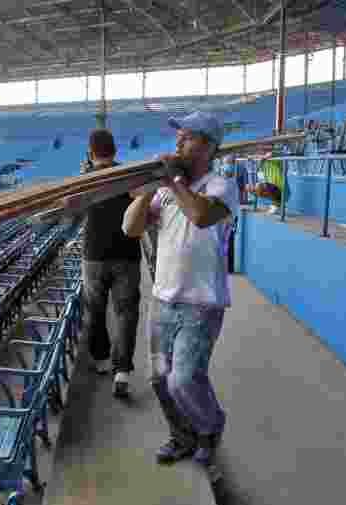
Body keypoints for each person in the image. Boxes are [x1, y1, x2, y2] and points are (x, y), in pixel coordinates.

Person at [122, 110, 238, 475]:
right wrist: (144, 194)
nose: (177, 143)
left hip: (202, 302)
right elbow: (130, 229)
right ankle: (182, 435)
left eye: (184, 137)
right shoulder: (168, 189)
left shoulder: (221, 186)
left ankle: (210, 425)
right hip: (164, 298)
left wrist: (173, 181)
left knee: (184, 378)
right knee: (159, 378)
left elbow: (201, 217)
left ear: (205, 146)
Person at [80, 129, 142, 398]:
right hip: (127, 253)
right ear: (115, 150)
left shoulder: (84, 179)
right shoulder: (129, 175)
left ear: (91, 151)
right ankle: (122, 370)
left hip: (94, 255)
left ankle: (102, 360)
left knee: (95, 310)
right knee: (126, 313)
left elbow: (74, 209)